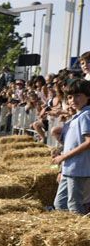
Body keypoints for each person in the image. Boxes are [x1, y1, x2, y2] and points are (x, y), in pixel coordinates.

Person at [53, 80, 90, 214]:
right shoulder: (77, 117)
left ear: (88, 96)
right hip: (69, 168)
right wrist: (62, 168)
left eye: (77, 95)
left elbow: (88, 142)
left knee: (74, 205)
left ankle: (82, 233)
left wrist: (63, 157)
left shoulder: (86, 115)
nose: (73, 100)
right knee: (60, 203)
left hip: (78, 169)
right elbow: (70, 142)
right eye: (69, 97)